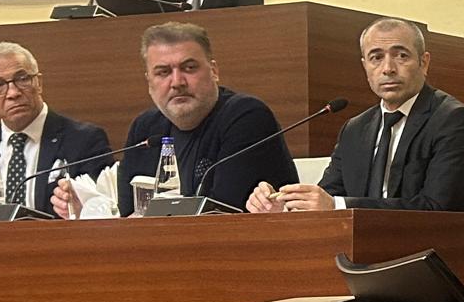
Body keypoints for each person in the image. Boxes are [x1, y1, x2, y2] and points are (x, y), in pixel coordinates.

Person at [55, 21, 296, 217]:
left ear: (214, 71)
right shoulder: (145, 129)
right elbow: (129, 214)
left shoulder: (246, 117)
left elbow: (221, 216)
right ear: (149, 81)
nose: (177, 82)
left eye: (189, 68)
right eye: (163, 72)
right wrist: (86, 211)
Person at [247, 17, 464, 213]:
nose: (388, 68)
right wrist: (285, 208)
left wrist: (338, 206)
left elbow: (437, 208)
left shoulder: (452, 120)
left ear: (424, 62)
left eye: (401, 56)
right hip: (356, 246)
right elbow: (328, 196)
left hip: (426, 248)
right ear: (365, 66)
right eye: (376, 58)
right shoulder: (355, 129)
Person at [0, 41, 111, 215]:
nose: (13, 93)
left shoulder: (85, 141)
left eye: (22, 79)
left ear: (39, 83)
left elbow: (104, 211)